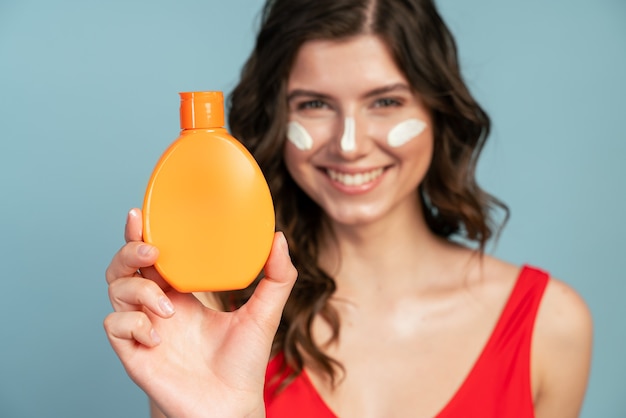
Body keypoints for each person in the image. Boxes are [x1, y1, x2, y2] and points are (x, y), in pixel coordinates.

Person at [104, 0, 593, 416]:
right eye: (315, 105)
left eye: (385, 102)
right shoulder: (212, 322)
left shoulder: (551, 326)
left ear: (437, 110)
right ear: (277, 115)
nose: (350, 144)